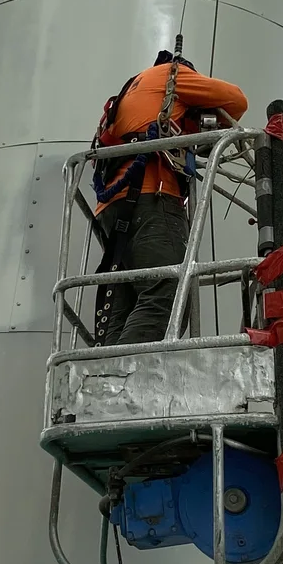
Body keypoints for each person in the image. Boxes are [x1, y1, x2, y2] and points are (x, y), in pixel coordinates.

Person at [92, 48, 248, 346]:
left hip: (112, 208)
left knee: (125, 307)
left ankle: (106, 367)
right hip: (151, 197)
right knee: (168, 293)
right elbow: (236, 100)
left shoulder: (131, 91)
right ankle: (129, 372)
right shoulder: (172, 74)